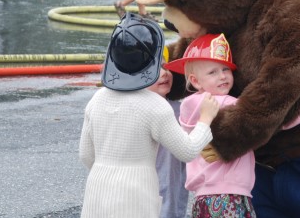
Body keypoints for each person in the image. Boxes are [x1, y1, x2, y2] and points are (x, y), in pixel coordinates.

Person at [164, 33, 300, 218]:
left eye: (226, 69)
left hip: (208, 196)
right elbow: (269, 120)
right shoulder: (218, 103)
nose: (222, 76)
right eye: (213, 72)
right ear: (195, 81)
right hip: (227, 195)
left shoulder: (190, 105)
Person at [79, 13, 220, 218]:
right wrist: (205, 119)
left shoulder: (98, 99)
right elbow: (188, 151)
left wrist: (109, 170)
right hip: (137, 192)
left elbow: (85, 154)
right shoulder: (156, 105)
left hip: (98, 188)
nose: (163, 72)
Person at [148, 47, 190, 218]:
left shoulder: (182, 111)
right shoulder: (135, 112)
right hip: (145, 194)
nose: (164, 73)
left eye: (166, 67)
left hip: (172, 195)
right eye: (154, 69)